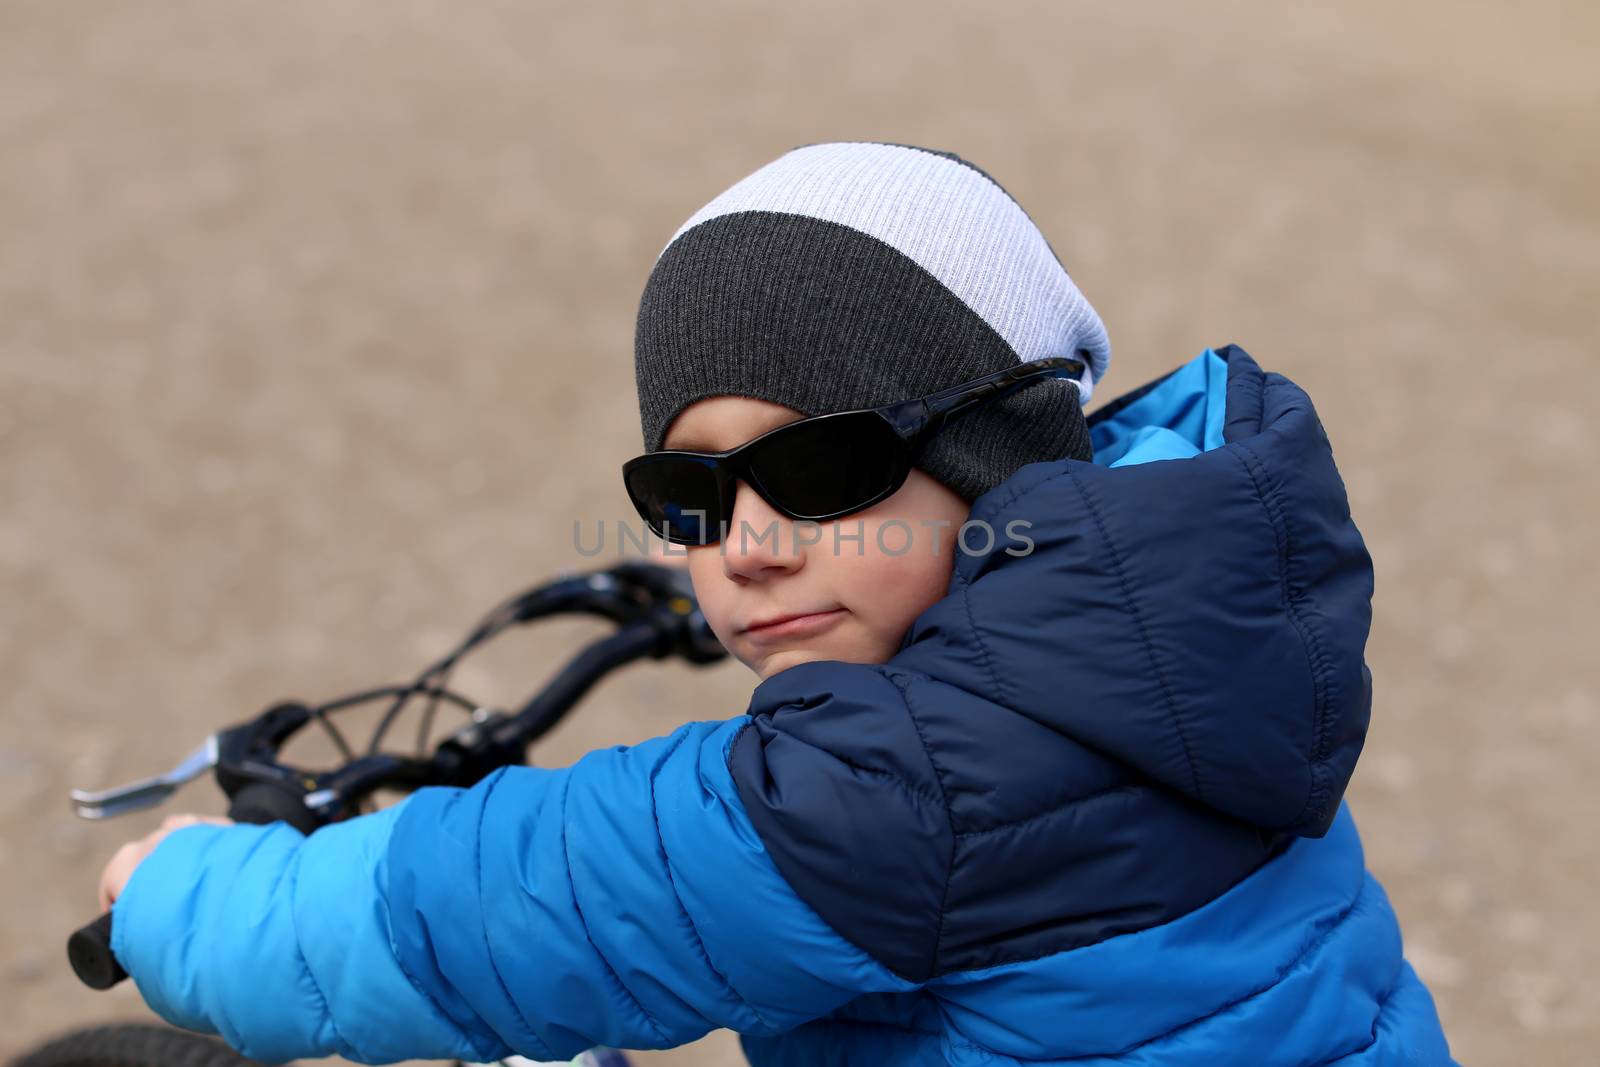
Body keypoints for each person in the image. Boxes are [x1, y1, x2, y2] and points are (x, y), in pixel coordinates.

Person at [101, 142, 1457, 1066]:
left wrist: (187, 900)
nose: (744, 545)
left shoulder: (905, 792)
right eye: (688, 495)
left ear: (998, 465)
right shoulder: (1166, 633)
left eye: (817, 469)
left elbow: (532, 900)